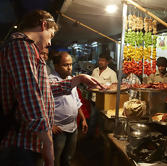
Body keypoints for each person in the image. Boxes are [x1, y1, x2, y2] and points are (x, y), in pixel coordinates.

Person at [0, 10, 103, 166]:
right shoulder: (21, 46)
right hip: (21, 143)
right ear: (43, 25)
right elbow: (30, 96)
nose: (49, 42)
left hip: (31, 141)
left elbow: (43, 88)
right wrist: (48, 142)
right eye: (51, 35)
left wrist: (78, 79)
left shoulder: (30, 49)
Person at [49, 51, 88, 166]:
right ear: (56, 66)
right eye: (65, 65)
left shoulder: (71, 80)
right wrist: (50, 124)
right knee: (55, 158)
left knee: (68, 158)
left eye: (70, 64)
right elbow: (43, 105)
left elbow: (76, 101)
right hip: (58, 129)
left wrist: (83, 118)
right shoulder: (50, 81)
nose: (69, 67)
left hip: (73, 127)